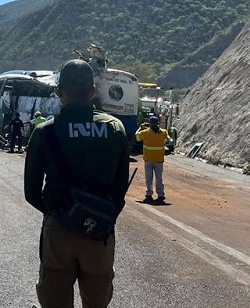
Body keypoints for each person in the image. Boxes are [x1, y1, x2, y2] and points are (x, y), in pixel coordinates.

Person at [24, 59, 130, 308]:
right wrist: (99, 215)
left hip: (59, 228)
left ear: (60, 91)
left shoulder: (45, 131)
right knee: (97, 300)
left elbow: (31, 193)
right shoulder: (115, 128)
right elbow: (120, 188)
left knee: (55, 299)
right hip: (99, 229)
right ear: (92, 92)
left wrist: (63, 213)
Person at [135, 115, 169, 204]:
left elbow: (137, 137)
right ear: (158, 123)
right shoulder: (164, 132)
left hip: (148, 159)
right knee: (159, 178)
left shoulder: (146, 132)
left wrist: (140, 128)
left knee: (149, 178)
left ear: (149, 124)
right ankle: (161, 194)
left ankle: (149, 194)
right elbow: (168, 140)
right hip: (159, 159)